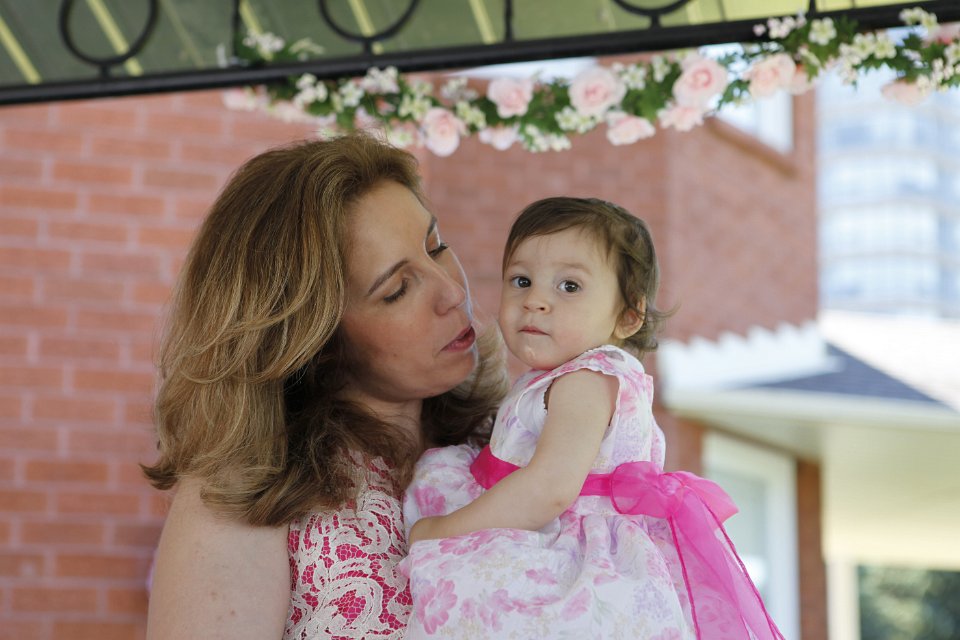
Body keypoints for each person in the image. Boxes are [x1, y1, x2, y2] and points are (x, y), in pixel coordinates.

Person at [142, 133, 508, 640]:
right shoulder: (251, 488)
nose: (453, 291)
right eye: (397, 290)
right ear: (316, 342)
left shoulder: (507, 435)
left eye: (436, 247)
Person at [401, 197, 785, 639]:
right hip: (531, 517)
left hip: (560, 548)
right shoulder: (563, 377)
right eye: (522, 281)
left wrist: (445, 530)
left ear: (628, 316)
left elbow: (549, 489)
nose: (536, 301)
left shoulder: (585, 381)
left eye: (569, 286)